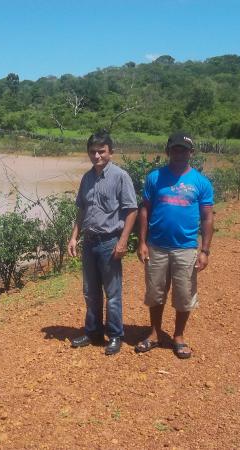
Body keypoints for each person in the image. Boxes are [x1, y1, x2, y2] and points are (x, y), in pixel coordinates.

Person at [135, 131, 214, 359]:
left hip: (186, 248)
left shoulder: (201, 182)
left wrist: (205, 250)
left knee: (183, 294)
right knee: (155, 293)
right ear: (168, 151)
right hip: (156, 246)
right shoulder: (154, 178)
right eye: (175, 149)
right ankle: (154, 333)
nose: (179, 153)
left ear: (191, 152)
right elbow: (145, 210)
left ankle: (178, 336)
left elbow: (208, 217)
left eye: (184, 149)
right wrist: (142, 241)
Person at [67, 130, 138, 355]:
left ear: (110, 152)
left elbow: (132, 210)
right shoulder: (87, 178)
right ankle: (93, 332)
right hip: (89, 241)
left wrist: (123, 241)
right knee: (90, 291)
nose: (97, 156)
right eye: (92, 152)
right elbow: (82, 210)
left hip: (110, 241)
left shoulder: (120, 176)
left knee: (113, 293)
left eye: (101, 151)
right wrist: (73, 236)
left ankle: (115, 335)